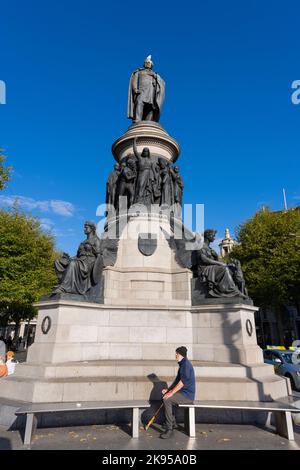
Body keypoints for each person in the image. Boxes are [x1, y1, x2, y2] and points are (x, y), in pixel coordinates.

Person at [160, 346, 195, 439]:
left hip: (187, 395)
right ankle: (173, 422)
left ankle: (169, 428)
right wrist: (168, 391)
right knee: (166, 396)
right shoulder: (182, 364)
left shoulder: (186, 365)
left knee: (168, 399)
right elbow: (176, 381)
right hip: (183, 393)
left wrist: (170, 394)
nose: (175, 355)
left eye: (177, 353)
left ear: (181, 355)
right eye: (176, 353)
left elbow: (182, 383)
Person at [127, 55, 165, 123]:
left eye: (149, 63)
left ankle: (149, 121)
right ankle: (138, 119)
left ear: (151, 65)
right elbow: (134, 81)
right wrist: (135, 89)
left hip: (151, 92)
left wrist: (156, 78)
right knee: (139, 103)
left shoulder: (154, 74)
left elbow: (161, 82)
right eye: (146, 62)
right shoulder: (139, 72)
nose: (148, 64)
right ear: (144, 64)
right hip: (141, 91)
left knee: (150, 107)